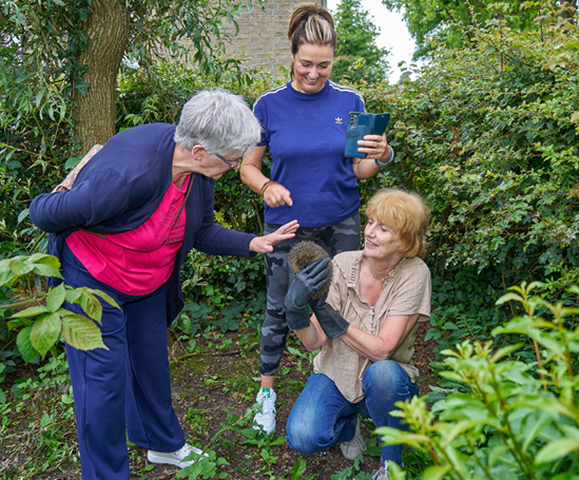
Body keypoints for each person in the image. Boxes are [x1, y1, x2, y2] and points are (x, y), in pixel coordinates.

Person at [29, 89, 299, 480]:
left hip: (148, 284)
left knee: (152, 366)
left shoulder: (197, 170)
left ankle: (162, 444)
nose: (236, 165)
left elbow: (201, 230)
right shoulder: (126, 177)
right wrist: (69, 184)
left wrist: (251, 243)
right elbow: (43, 213)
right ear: (201, 150)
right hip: (93, 281)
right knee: (102, 387)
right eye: (233, 159)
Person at [239, 2, 395, 435]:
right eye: (306, 63)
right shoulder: (268, 105)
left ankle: (348, 393)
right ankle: (267, 394)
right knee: (278, 308)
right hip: (285, 227)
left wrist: (382, 157)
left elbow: (358, 170)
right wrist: (266, 185)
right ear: (291, 55)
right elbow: (247, 166)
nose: (313, 73)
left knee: (347, 309)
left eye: (323, 65)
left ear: (334, 60)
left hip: (341, 223)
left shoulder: (350, 101)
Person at [283, 188, 431, 480]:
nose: (371, 233)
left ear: (406, 240)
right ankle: (349, 424)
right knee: (302, 436)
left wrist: (330, 317)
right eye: (370, 222)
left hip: (384, 381)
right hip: (337, 373)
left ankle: (391, 464)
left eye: (383, 228)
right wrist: (296, 310)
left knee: (384, 374)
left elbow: (382, 350)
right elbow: (314, 342)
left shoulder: (416, 273)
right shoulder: (343, 264)